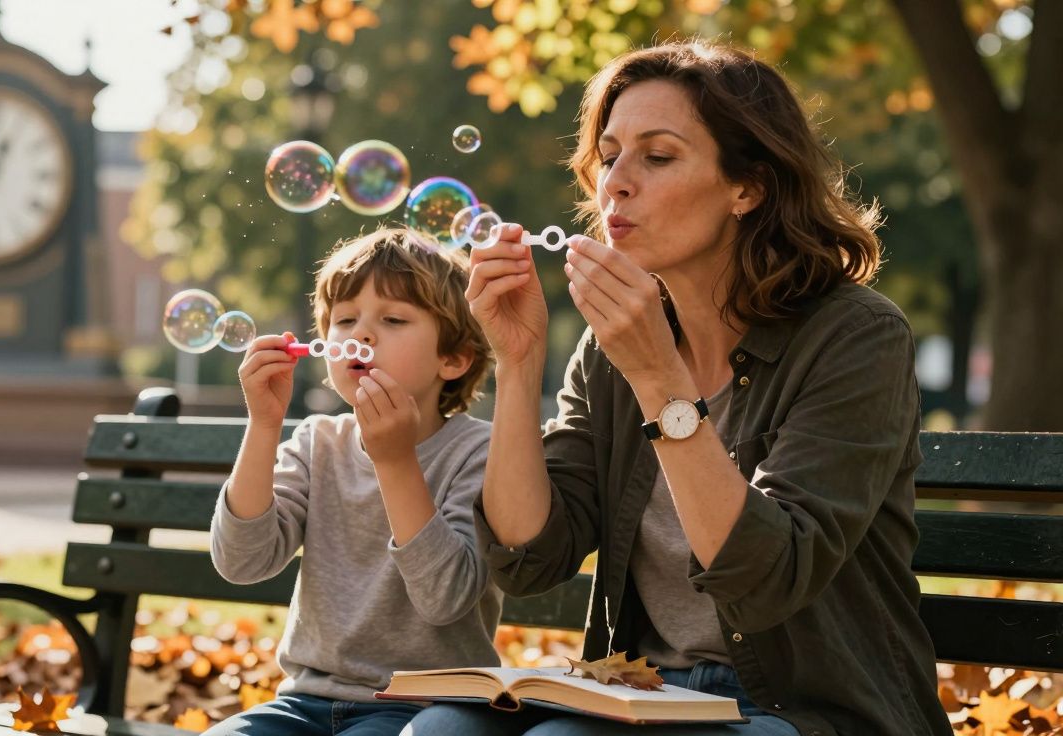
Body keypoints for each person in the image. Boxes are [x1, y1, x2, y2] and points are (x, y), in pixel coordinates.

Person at [404, 40, 948, 735]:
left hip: (809, 710)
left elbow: (766, 579)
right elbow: (530, 558)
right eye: (609, 157)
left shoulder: (855, 337)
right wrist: (517, 361)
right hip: (642, 694)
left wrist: (659, 378)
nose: (615, 184)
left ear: (746, 186)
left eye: (657, 157)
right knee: (441, 731)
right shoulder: (611, 347)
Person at [205, 228, 500, 736]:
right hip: (305, 703)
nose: (360, 336)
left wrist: (395, 460)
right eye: (345, 320)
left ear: (452, 359)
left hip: (425, 708)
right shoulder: (318, 442)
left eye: (393, 319)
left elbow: (444, 598)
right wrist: (265, 424)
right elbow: (242, 561)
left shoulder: (478, 452)